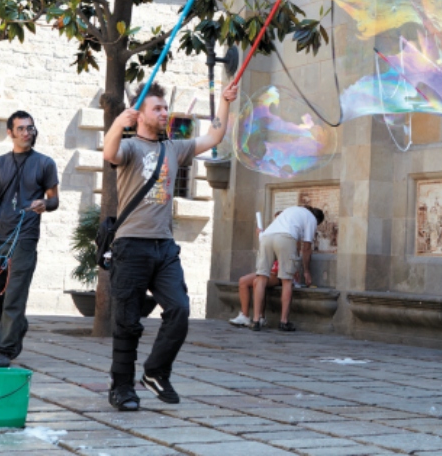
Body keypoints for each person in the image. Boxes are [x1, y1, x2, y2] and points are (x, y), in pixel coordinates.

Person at [102, 80, 238, 411]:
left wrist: (224, 102)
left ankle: (155, 372)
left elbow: (214, 136)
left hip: (164, 247)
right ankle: (122, 388)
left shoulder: (174, 148)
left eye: (165, 108)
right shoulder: (131, 147)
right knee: (127, 322)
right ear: (140, 114)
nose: (164, 113)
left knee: (179, 310)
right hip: (131, 246)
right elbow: (109, 153)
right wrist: (119, 124)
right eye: (157, 108)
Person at [0, 111, 59, 368]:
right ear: (10, 133)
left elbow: (54, 199)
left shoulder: (45, 163)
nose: (27, 133)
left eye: (30, 128)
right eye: (21, 129)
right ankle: (16, 324)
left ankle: (4, 348)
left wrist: (45, 203)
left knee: (15, 291)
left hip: (26, 233)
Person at [251, 203, 323, 332]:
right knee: (287, 280)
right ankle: (283, 321)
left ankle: (256, 320)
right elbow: (306, 248)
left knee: (261, 278)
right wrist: (306, 271)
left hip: (267, 236)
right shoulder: (311, 219)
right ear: (317, 221)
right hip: (284, 238)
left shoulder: (291, 210)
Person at [229, 260, 282, 327]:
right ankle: (244, 316)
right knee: (243, 281)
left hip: (279, 274)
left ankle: (261, 317)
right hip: (265, 270)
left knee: (257, 282)